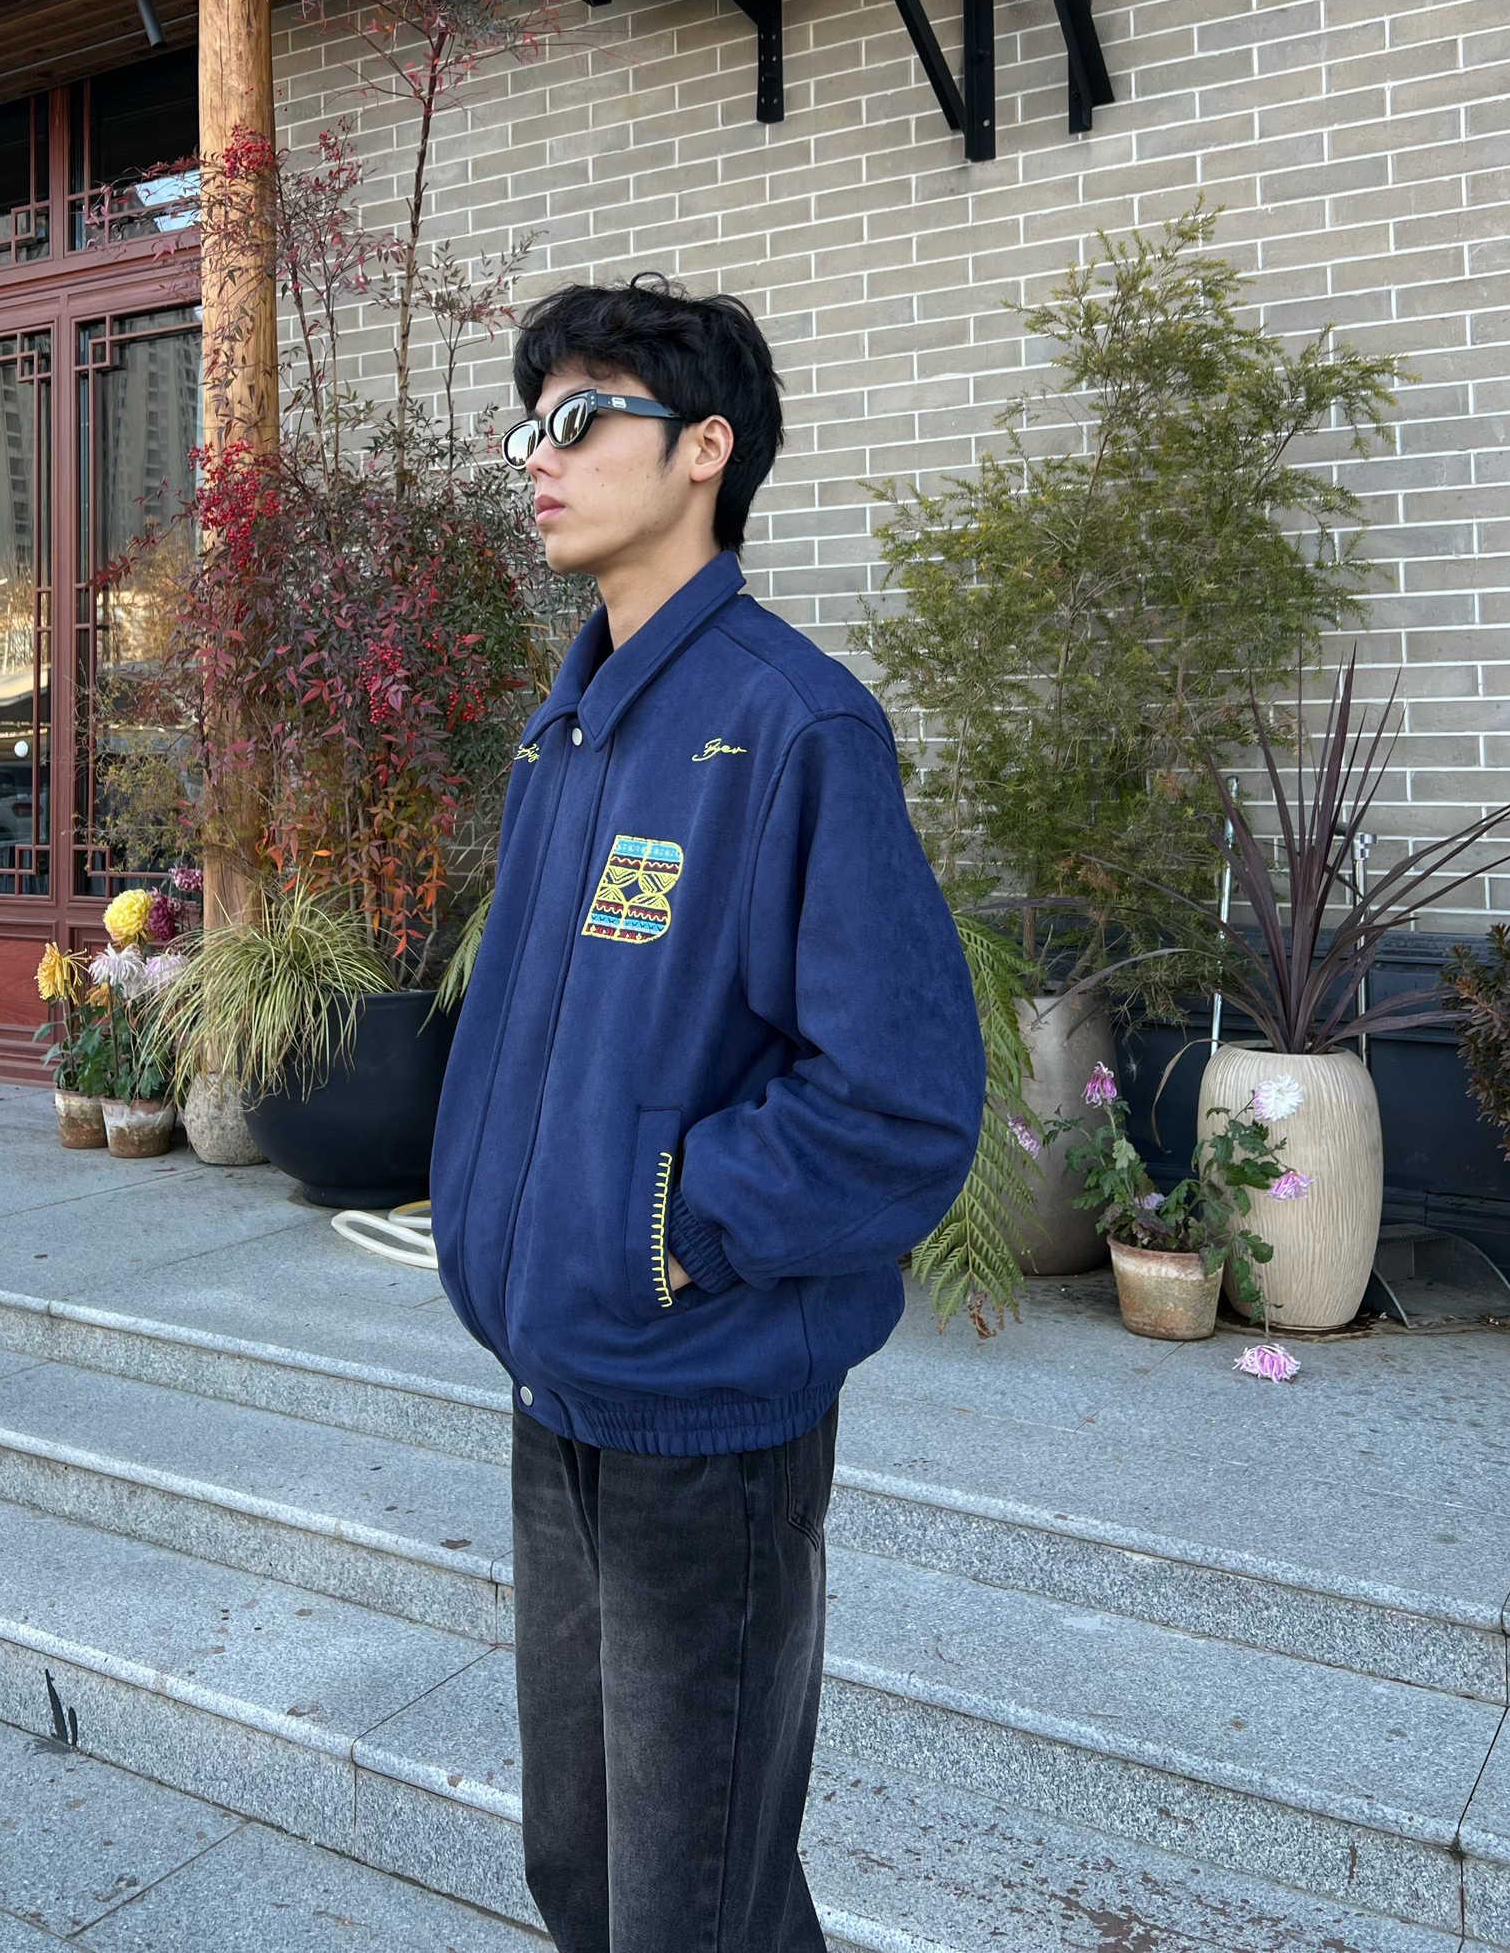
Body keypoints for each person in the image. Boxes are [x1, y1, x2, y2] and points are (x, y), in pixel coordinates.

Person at [431, 272, 985, 1953]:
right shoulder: (566, 737)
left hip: (706, 1421)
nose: (538, 455)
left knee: (691, 1905)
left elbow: (898, 1103)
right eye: (529, 426)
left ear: (705, 450)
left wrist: (667, 1226)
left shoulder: (793, 725)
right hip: (558, 1385)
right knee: (585, 1873)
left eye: (580, 417)